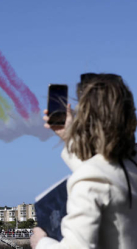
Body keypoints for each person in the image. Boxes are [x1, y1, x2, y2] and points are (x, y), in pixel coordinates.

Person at [31, 73, 137, 249]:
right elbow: (106, 176)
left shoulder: (91, 179)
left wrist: (41, 243)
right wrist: (69, 136)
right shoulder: (129, 165)